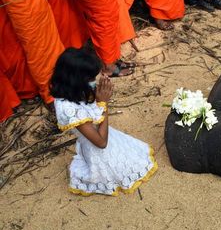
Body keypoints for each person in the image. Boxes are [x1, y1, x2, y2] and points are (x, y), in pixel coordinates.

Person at [50, 47, 157, 196]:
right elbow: (101, 143)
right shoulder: (69, 110)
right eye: (91, 79)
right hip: (98, 149)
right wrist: (103, 104)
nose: (95, 81)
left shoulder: (70, 90)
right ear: (77, 80)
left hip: (101, 133)